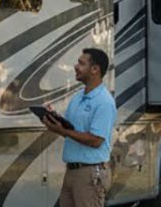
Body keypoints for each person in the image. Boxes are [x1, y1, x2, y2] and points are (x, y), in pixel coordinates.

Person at [41, 48, 117, 207]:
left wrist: (62, 130)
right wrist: (53, 118)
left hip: (89, 175)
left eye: (81, 63)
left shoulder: (104, 102)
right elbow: (71, 131)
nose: (76, 66)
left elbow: (96, 140)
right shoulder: (78, 98)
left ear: (95, 69)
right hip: (72, 172)